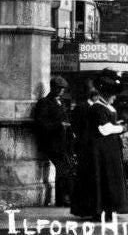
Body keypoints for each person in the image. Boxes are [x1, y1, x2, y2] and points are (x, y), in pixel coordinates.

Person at [71, 69, 128, 220]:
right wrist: (121, 128)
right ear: (107, 94)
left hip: (108, 150)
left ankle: (108, 209)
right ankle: (99, 210)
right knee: (100, 178)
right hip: (99, 151)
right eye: (113, 95)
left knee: (108, 179)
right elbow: (103, 129)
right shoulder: (97, 108)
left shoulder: (105, 107)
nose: (114, 98)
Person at [34, 75, 75, 207]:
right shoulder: (44, 103)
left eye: (63, 89)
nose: (62, 91)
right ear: (53, 88)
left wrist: (69, 130)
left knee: (65, 169)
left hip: (63, 143)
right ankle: (64, 199)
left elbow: (66, 120)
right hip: (52, 144)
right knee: (64, 169)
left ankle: (63, 198)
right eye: (59, 88)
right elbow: (41, 123)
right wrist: (59, 125)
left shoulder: (61, 103)